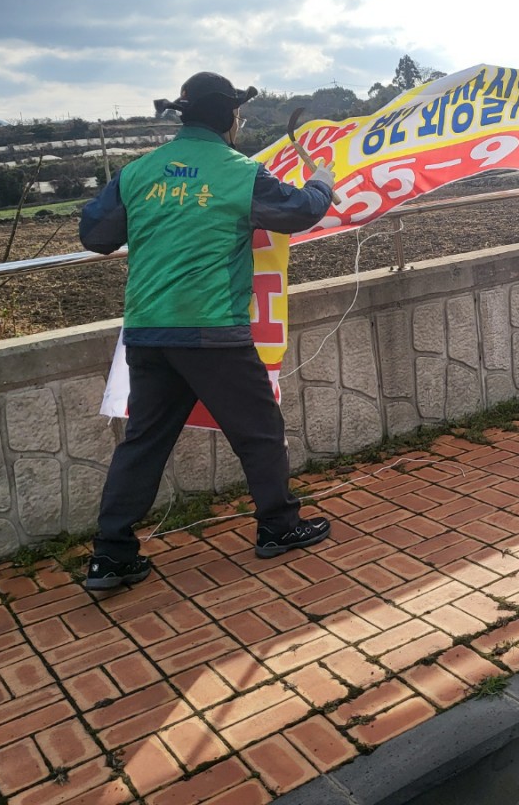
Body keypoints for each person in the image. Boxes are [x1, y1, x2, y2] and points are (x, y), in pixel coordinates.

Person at [79, 72, 337, 590]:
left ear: (184, 115)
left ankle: (111, 556)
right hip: (212, 327)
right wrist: (323, 180)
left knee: (144, 442)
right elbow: (299, 211)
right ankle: (279, 527)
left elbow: (94, 235)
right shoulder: (238, 171)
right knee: (260, 431)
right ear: (229, 117)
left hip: (149, 331)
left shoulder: (138, 172)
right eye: (238, 115)